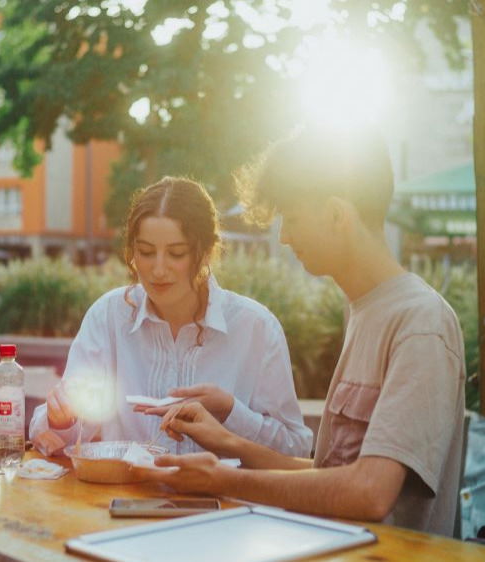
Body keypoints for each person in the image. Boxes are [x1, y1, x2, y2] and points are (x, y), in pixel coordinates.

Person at [137, 128, 467, 536]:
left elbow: (369, 492)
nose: (284, 236)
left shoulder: (420, 324)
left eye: (291, 218)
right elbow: (332, 473)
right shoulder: (366, 313)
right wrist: (228, 444)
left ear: (336, 215)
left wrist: (224, 480)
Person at [29, 177, 312, 458]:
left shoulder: (256, 327)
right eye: (146, 252)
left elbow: (295, 449)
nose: (158, 269)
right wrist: (61, 418)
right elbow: (53, 437)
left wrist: (229, 411)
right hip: (126, 499)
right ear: (132, 252)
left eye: (176, 253)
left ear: (205, 253)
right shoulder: (108, 316)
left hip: (227, 502)